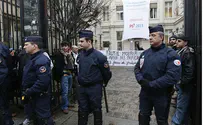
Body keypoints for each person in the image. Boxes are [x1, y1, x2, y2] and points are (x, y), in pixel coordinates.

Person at [134, 25, 182, 125]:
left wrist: (151, 84)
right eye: (149, 35)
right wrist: (141, 80)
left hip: (162, 94)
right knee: (143, 116)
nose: (150, 37)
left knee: (161, 120)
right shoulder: (145, 53)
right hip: (145, 93)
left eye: (153, 35)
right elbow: (137, 68)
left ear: (161, 37)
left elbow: (172, 76)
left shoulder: (171, 54)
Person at [77, 30, 112, 125]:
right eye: (79, 41)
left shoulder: (100, 57)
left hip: (94, 88)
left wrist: (102, 83)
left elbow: (107, 73)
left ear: (89, 42)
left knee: (96, 109)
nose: (79, 43)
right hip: (82, 88)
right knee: (82, 110)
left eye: (82, 41)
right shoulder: (81, 55)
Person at [21, 36, 54, 125]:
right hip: (33, 96)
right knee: (35, 118)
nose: (24, 47)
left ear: (35, 46)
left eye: (26, 45)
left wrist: (29, 91)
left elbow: (42, 82)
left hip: (40, 97)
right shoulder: (32, 58)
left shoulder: (41, 60)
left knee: (44, 119)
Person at [171, 34, 195, 125]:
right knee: (182, 106)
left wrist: (181, 82)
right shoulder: (181, 51)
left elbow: (189, 71)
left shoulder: (187, 52)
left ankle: (175, 123)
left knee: (180, 106)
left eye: (179, 41)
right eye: (177, 40)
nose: (176, 42)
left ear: (185, 42)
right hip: (181, 83)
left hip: (184, 85)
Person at [54, 42, 74, 114]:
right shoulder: (59, 54)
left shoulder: (70, 54)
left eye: (66, 46)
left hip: (70, 73)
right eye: (63, 46)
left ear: (68, 47)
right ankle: (64, 107)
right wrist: (62, 73)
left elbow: (72, 63)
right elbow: (57, 66)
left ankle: (67, 103)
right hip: (64, 74)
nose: (64, 48)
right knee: (64, 92)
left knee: (69, 90)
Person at [0, 42, 14, 125]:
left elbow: (2, 70)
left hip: (2, 81)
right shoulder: (4, 47)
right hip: (5, 80)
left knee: (3, 105)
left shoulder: (1, 49)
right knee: (5, 104)